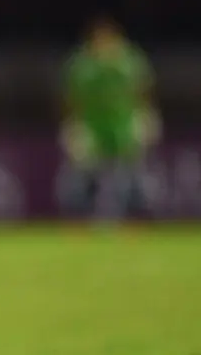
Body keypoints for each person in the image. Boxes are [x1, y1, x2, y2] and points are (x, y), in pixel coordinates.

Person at [59, 14, 159, 220]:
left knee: (129, 175)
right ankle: (77, 218)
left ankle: (135, 218)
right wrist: (73, 124)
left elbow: (144, 90)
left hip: (123, 125)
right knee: (81, 175)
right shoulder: (83, 65)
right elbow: (69, 97)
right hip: (92, 127)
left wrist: (145, 116)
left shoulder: (129, 61)